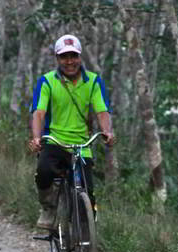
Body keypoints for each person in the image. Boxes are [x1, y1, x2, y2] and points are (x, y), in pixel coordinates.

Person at [28, 34, 115, 230]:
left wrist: (107, 132)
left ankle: (85, 244)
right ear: (57, 59)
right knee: (43, 171)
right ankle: (48, 208)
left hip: (81, 145)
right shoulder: (47, 81)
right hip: (54, 142)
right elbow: (39, 112)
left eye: (73, 56)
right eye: (64, 57)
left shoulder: (93, 82)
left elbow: (101, 110)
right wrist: (36, 137)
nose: (70, 62)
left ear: (80, 57)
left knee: (87, 197)